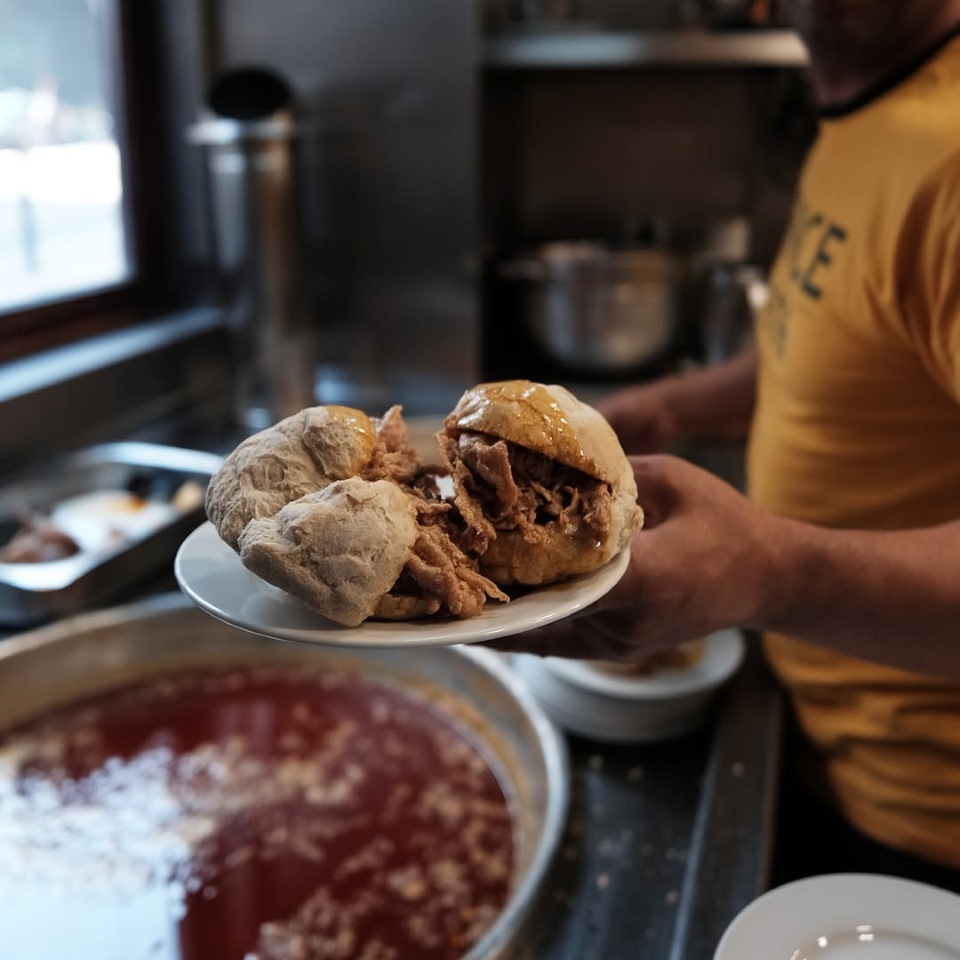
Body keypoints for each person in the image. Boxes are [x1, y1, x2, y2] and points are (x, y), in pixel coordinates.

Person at [496, 0, 960, 886]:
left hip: (923, 826)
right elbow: (835, 342)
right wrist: (680, 403)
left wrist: (776, 573)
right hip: (810, 730)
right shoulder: (870, 113)